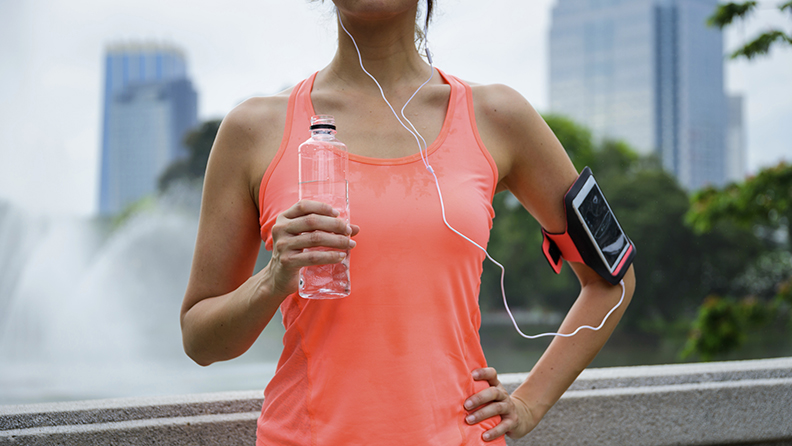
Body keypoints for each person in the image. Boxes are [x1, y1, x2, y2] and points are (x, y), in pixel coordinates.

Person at [180, 1, 636, 444]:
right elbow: (200, 341)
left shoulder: (498, 116)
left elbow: (611, 278)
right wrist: (274, 280)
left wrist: (530, 403)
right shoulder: (253, 129)